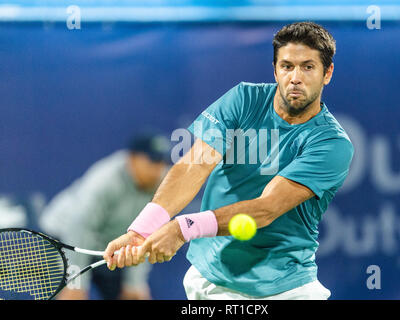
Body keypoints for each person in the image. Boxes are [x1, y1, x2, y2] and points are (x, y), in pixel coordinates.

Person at [104, 22, 354, 300]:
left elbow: (266, 208)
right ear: (275, 70)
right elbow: (194, 165)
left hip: (286, 287)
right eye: (286, 66)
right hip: (211, 280)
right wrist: (142, 229)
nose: (295, 77)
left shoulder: (332, 143)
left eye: (308, 67)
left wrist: (183, 227)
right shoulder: (242, 100)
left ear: (327, 73)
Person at [39, 132, 171, 300]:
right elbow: (80, 227)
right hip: (63, 238)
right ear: (132, 158)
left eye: (162, 162)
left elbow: (146, 236)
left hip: (106, 246)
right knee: (69, 295)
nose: (158, 169)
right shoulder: (105, 180)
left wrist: (135, 283)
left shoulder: (162, 184)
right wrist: (75, 283)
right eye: (152, 161)